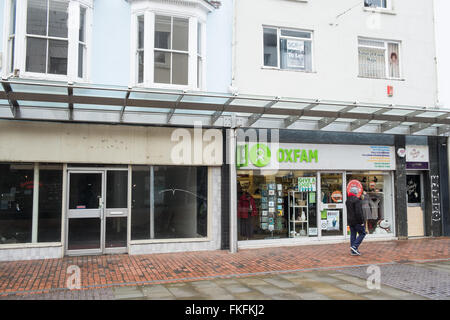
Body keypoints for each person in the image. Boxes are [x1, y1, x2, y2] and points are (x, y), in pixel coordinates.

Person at [346, 186, 366, 256]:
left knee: (353, 234)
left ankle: (353, 250)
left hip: (350, 221)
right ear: (356, 192)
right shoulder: (356, 200)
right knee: (362, 233)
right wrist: (361, 222)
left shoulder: (347, 200)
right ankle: (355, 246)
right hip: (357, 221)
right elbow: (358, 212)